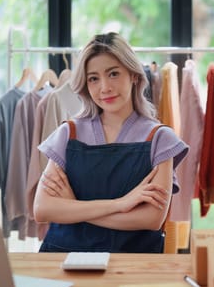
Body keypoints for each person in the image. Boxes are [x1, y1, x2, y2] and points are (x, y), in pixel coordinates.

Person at [33, 32, 189, 253]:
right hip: (62, 260)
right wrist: (121, 205)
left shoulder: (159, 139)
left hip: (133, 264)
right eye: (93, 78)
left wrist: (74, 208)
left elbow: (152, 219)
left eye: (113, 74)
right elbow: (42, 209)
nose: (104, 87)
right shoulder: (68, 134)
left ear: (134, 75)